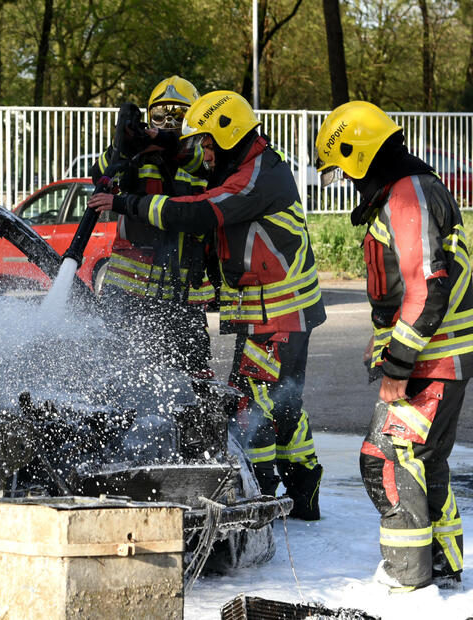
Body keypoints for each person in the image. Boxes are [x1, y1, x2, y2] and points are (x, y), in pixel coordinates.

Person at [89, 90, 326, 520]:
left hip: (277, 315)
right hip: (271, 313)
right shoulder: (250, 165)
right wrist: (138, 148)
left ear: (227, 134)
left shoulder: (253, 178)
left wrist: (127, 203)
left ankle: (259, 503)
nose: (204, 152)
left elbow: (198, 211)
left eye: (208, 143)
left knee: (252, 406)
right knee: (282, 404)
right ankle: (305, 500)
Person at [315, 101, 472, 592]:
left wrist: (398, 364)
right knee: (424, 463)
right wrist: (382, 342)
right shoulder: (407, 189)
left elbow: (427, 288)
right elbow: (404, 291)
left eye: (341, 166)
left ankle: (408, 581)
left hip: (432, 358)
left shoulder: (407, 195)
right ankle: (443, 569)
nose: (343, 178)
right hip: (436, 354)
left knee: (385, 458)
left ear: (358, 154)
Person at [89, 75, 216, 377]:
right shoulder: (134, 154)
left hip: (184, 293)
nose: (169, 121)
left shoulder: (201, 154)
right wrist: (122, 144)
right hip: (129, 290)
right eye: (161, 114)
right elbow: (101, 175)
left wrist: (164, 142)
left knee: (191, 377)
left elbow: (195, 158)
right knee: (120, 370)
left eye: (178, 113)